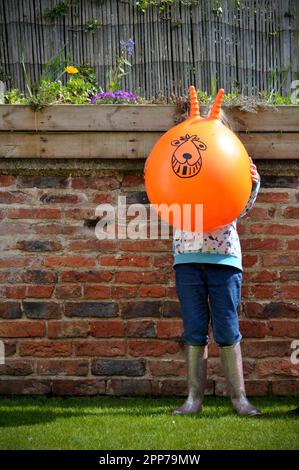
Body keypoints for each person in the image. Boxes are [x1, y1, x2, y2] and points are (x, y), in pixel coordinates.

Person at [172, 108, 262, 417]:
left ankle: (239, 400)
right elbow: (165, 197)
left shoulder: (229, 160)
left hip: (225, 259)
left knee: (227, 328)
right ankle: (194, 400)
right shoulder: (177, 159)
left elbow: (239, 207)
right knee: (194, 329)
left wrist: (253, 183)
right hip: (187, 259)